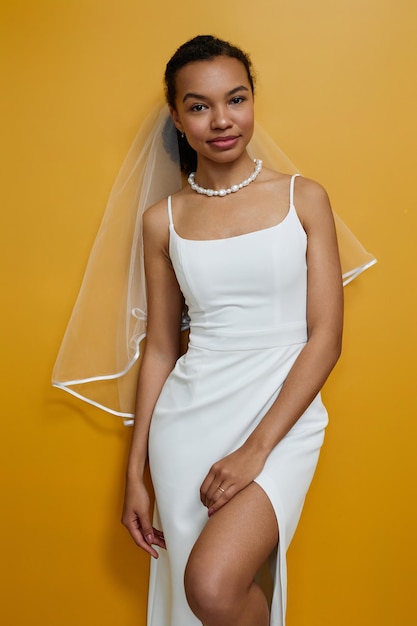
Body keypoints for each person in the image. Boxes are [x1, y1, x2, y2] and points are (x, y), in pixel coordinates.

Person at [120, 35, 343, 626]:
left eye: (235, 99)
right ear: (177, 116)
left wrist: (256, 449)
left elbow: (326, 338)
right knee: (196, 600)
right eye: (199, 106)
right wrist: (134, 473)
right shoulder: (161, 221)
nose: (222, 120)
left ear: (251, 102)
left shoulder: (304, 198)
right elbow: (163, 347)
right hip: (187, 424)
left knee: (214, 586)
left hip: (281, 418)